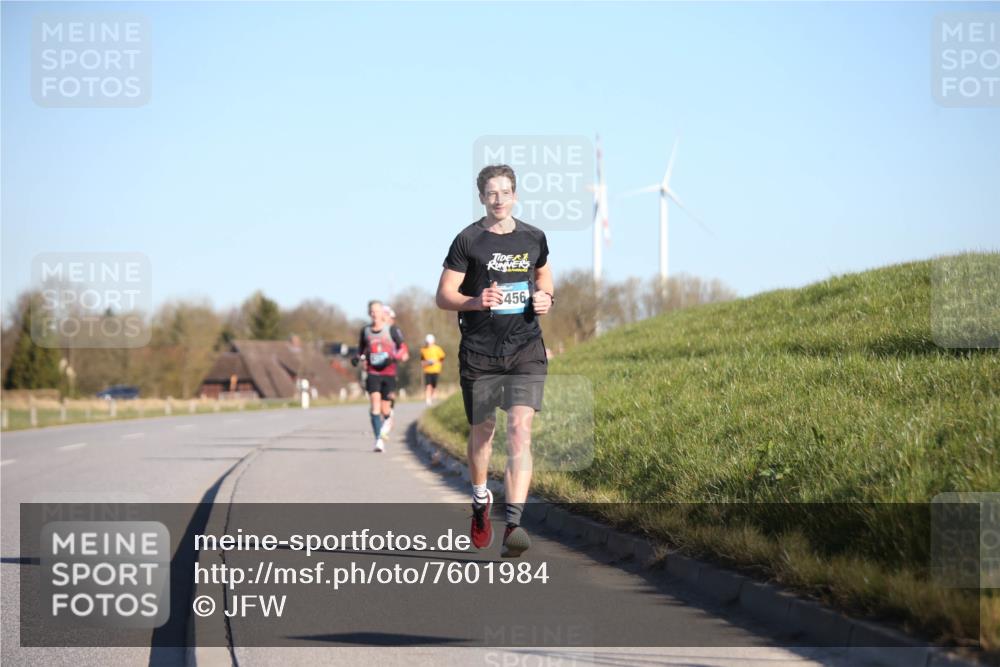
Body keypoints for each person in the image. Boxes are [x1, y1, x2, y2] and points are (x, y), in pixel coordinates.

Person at [435, 164, 553, 558]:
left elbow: (544, 277)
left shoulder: (534, 237)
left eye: (505, 192)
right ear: (482, 197)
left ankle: (514, 525)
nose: (498, 199)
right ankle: (480, 499)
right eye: (491, 193)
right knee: (483, 431)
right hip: (480, 353)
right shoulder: (468, 240)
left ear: (515, 195)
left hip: (525, 349)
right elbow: (444, 296)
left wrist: (546, 298)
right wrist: (475, 300)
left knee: (520, 430)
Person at [353, 300, 408, 452]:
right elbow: (361, 350)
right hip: (373, 372)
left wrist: (393, 357)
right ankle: (378, 440)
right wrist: (356, 358)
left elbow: (403, 349)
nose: (374, 314)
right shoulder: (365, 331)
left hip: (389, 373)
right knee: (374, 405)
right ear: (368, 313)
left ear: (383, 313)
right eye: (371, 311)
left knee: (385, 409)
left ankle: (388, 419)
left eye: (377, 311)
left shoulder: (392, 330)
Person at [380, 305, 409, 435]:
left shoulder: (394, 330)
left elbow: (402, 346)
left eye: (390, 317)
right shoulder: (375, 330)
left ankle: (389, 414)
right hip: (376, 368)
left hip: (391, 366)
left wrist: (400, 355)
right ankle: (386, 417)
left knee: (389, 394)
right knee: (379, 396)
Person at [420, 334, 446, 405]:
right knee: (428, 385)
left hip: (436, 370)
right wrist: (428, 362)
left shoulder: (437, 349)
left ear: (433, 342)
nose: (429, 344)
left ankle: (433, 397)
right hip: (427, 371)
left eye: (430, 342)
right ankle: (428, 399)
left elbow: (442, 358)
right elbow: (422, 362)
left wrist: (437, 362)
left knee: (434, 386)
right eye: (427, 342)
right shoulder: (423, 350)